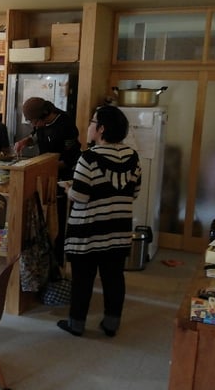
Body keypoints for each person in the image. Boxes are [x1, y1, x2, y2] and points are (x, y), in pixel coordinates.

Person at [57, 105, 141, 337]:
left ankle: (76, 323)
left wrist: (68, 189)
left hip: (88, 230)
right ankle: (111, 323)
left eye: (93, 122)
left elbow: (80, 196)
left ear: (101, 129)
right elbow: (134, 192)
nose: (89, 126)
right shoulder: (132, 156)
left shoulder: (88, 157)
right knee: (114, 277)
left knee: (82, 279)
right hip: (118, 228)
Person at [14, 97, 81, 268]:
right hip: (44, 176)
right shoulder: (40, 124)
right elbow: (36, 136)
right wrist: (25, 141)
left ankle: (57, 266)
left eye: (34, 121)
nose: (33, 125)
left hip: (62, 180)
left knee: (56, 223)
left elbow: (70, 159)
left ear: (45, 114)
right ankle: (43, 264)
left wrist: (43, 167)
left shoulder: (65, 124)